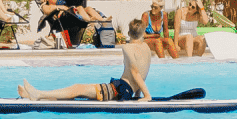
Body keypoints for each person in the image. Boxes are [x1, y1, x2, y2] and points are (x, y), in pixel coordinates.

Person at [16, 41, 154, 103]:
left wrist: (146, 96)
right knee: (76, 91)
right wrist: (138, 95)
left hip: (118, 90)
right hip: (121, 89)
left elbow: (135, 73)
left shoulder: (130, 50)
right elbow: (140, 75)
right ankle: (37, 95)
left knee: (77, 88)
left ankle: (38, 94)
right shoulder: (145, 52)